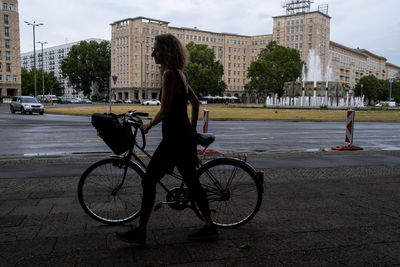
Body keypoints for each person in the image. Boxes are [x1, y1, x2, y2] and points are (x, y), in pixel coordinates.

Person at [116, 34, 217, 245]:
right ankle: (209, 226)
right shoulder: (180, 74)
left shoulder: (170, 75)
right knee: (192, 182)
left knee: (149, 179)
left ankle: (141, 230)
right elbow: (196, 103)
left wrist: (148, 125)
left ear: (167, 52)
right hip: (182, 138)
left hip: (173, 141)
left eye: (156, 49)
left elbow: (164, 111)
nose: (153, 53)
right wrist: (191, 130)